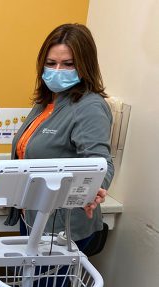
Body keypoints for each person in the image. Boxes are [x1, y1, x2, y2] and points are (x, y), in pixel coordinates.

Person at [8, 23, 115, 252]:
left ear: (84, 66)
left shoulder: (89, 107)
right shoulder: (46, 102)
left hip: (62, 227)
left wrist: (94, 191)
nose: (57, 70)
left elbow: (101, 162)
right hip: (33, 215)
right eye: (51, 63)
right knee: (31, 284)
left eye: (68, 64)